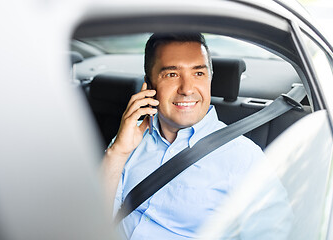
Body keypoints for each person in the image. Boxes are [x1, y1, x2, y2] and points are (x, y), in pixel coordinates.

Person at [102, 33, 292, 239]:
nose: (186, 89)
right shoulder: (129, 139)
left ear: (210, 79)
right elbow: (95, 217)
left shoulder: (244, 158)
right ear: (149, 86)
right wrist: (117, 153)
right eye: (172, 75)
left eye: (198, 74)